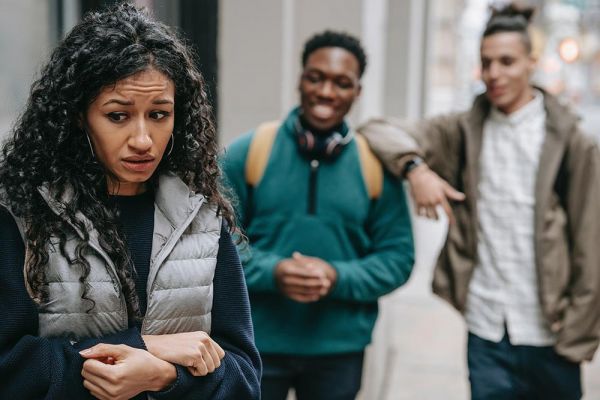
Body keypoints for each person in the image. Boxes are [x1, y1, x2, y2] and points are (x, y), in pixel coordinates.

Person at [0, 3, 261, 399]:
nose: (142, 140)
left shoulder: (201, 218)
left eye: (159, 114)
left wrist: (166, 377)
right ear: (78, 116)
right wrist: (144, 345)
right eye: (118, 116)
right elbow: (9, 368)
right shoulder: (23, 217)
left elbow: (245, 378)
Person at [359, 4, 600, 400]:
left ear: (531, 64)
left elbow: (591, 243)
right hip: (487, 331)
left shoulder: (571, 140)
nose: (494, 74)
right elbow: (376, 129)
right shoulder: (462, 129)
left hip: (551, 335)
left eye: (507, 62)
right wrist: (416, 170)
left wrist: (576, 334)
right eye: (486, 63)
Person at [221, 30, 414, 400]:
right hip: (257, 342)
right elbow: (215, 242)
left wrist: (336, 277)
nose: (326, 92)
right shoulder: (249, 152)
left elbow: (398, 257)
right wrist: (273, 272)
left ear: (357, 92)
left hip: (338, 353)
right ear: (300, 79)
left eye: (342, 83)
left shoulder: (376, 167)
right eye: (316, 77)